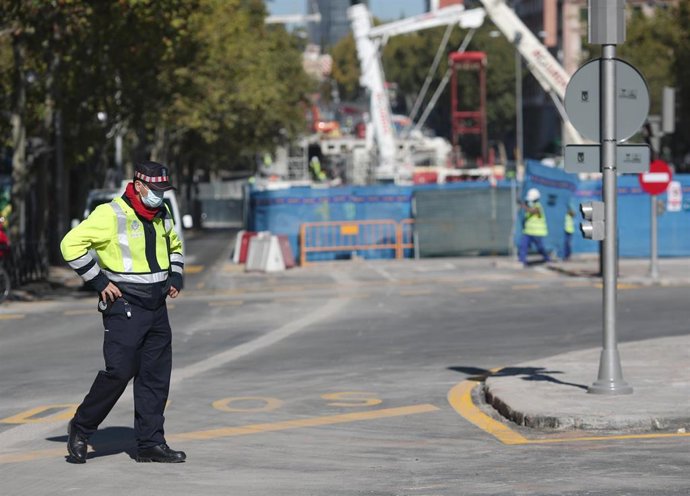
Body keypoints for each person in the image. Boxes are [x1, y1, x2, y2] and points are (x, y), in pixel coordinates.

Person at [60, 161, 186, 464]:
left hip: (157, 308)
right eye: (155, 190)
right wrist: (99, 280)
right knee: (119, 373)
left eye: (163, 191)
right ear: (138, 185)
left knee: (155, 378)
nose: (159, 196)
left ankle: (150, 443)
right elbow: (70, 244)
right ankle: (81, 428)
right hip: (125, 306)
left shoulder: (162, 214)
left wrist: (176, 275)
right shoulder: (110, 214)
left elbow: (175, 245)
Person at [518, 188, 550, 267]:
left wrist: (523, 206)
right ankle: (522, 261)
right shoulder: (530, 206)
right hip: (528, 231)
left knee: (540, 248)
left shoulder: (538, 206)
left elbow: (532, 211)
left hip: (537, 233)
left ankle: (547, 258)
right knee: (523, 246)